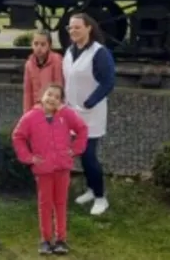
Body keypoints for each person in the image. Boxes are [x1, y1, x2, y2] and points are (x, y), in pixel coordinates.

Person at [12, 84, 88, 255]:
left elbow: (82, 129)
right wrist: (29, 157)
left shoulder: (66, 115)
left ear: (61, 101)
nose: (52, 99)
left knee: (60, 204)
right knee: (45, 205)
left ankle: (61, 239)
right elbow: (18, 137)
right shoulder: (30, 117)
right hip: (43, 170)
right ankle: (45, 240)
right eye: (49, 94)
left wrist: (74, 150)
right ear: (42, 96)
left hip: (62, 168)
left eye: (57, 97)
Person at [63, 13, 116, 216]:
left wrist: (89, 102)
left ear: (88, 28)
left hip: (91, 114)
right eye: (70, 28)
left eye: (77, 27)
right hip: (71, 113)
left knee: (89, 156)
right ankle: (91, 190)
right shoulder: (70, 51)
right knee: (81, 155)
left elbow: (108, 82)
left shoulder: (99, 53)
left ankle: (101, 197)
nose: (73, 31)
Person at [23, 29, 64, 114]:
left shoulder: (56, 60)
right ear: (32, 45)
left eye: (43, 44)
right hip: (36, 108)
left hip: (52, 107)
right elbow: (27, 92)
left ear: (49, 45)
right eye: (36, 44)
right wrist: (27, 113)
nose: (39, 47)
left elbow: (59, 85)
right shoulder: (29, 64)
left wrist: (58, 111)